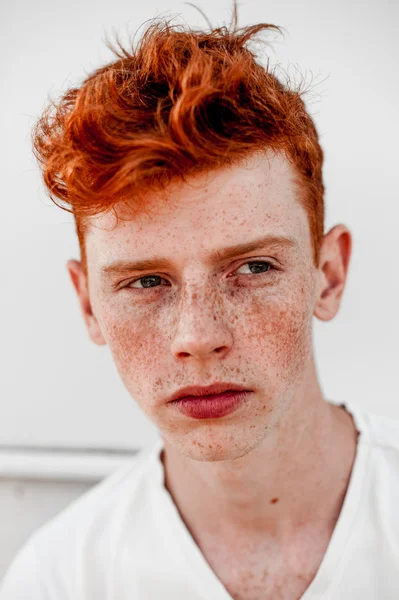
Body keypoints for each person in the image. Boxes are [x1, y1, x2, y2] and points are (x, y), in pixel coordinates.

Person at [1, 4, 398, 599]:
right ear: (88, 304)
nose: (197, 336)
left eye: (254, 267)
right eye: (145, 282)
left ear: (329, 274)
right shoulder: (60, 579)